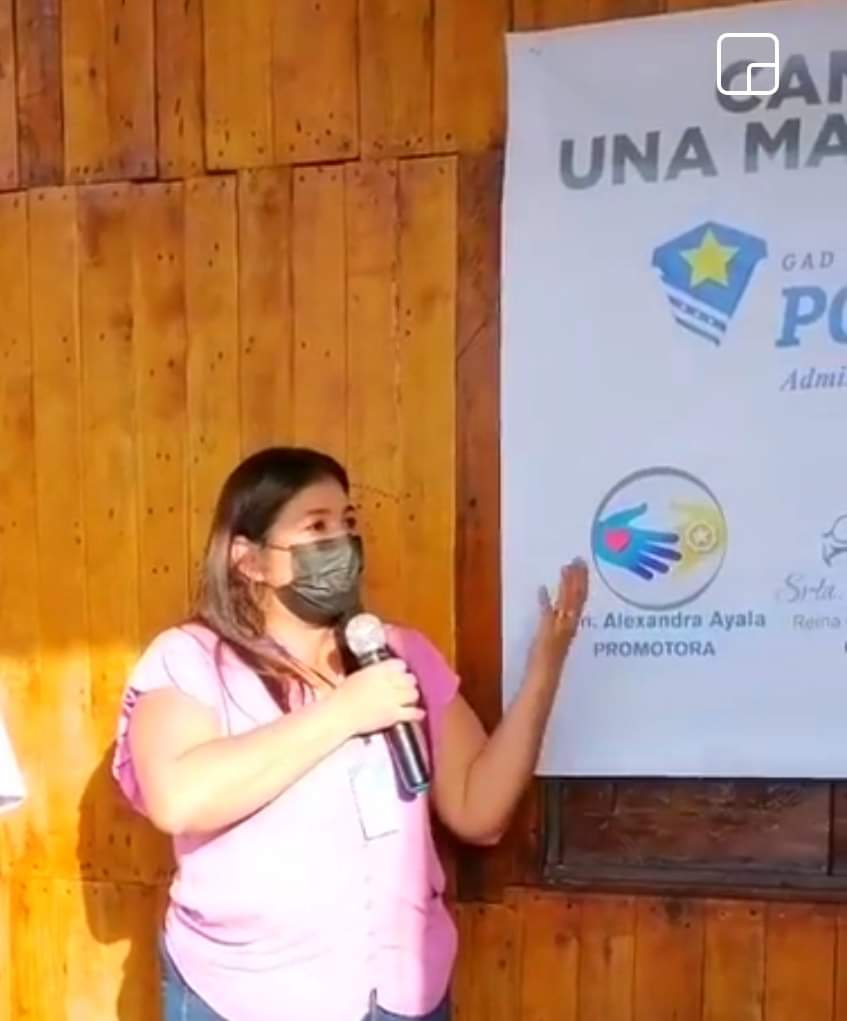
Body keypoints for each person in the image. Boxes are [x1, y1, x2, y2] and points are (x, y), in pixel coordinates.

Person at [112, 447, 588, 1021]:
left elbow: (478, 812)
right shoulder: (190, 657)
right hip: (247, 996)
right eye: (316, 526)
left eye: (348, 522)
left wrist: (545, 668)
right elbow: (179, 799)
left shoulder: (396, 653)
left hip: (401, 993)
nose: (341, 541)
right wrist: (344, 711)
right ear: (250, 560)